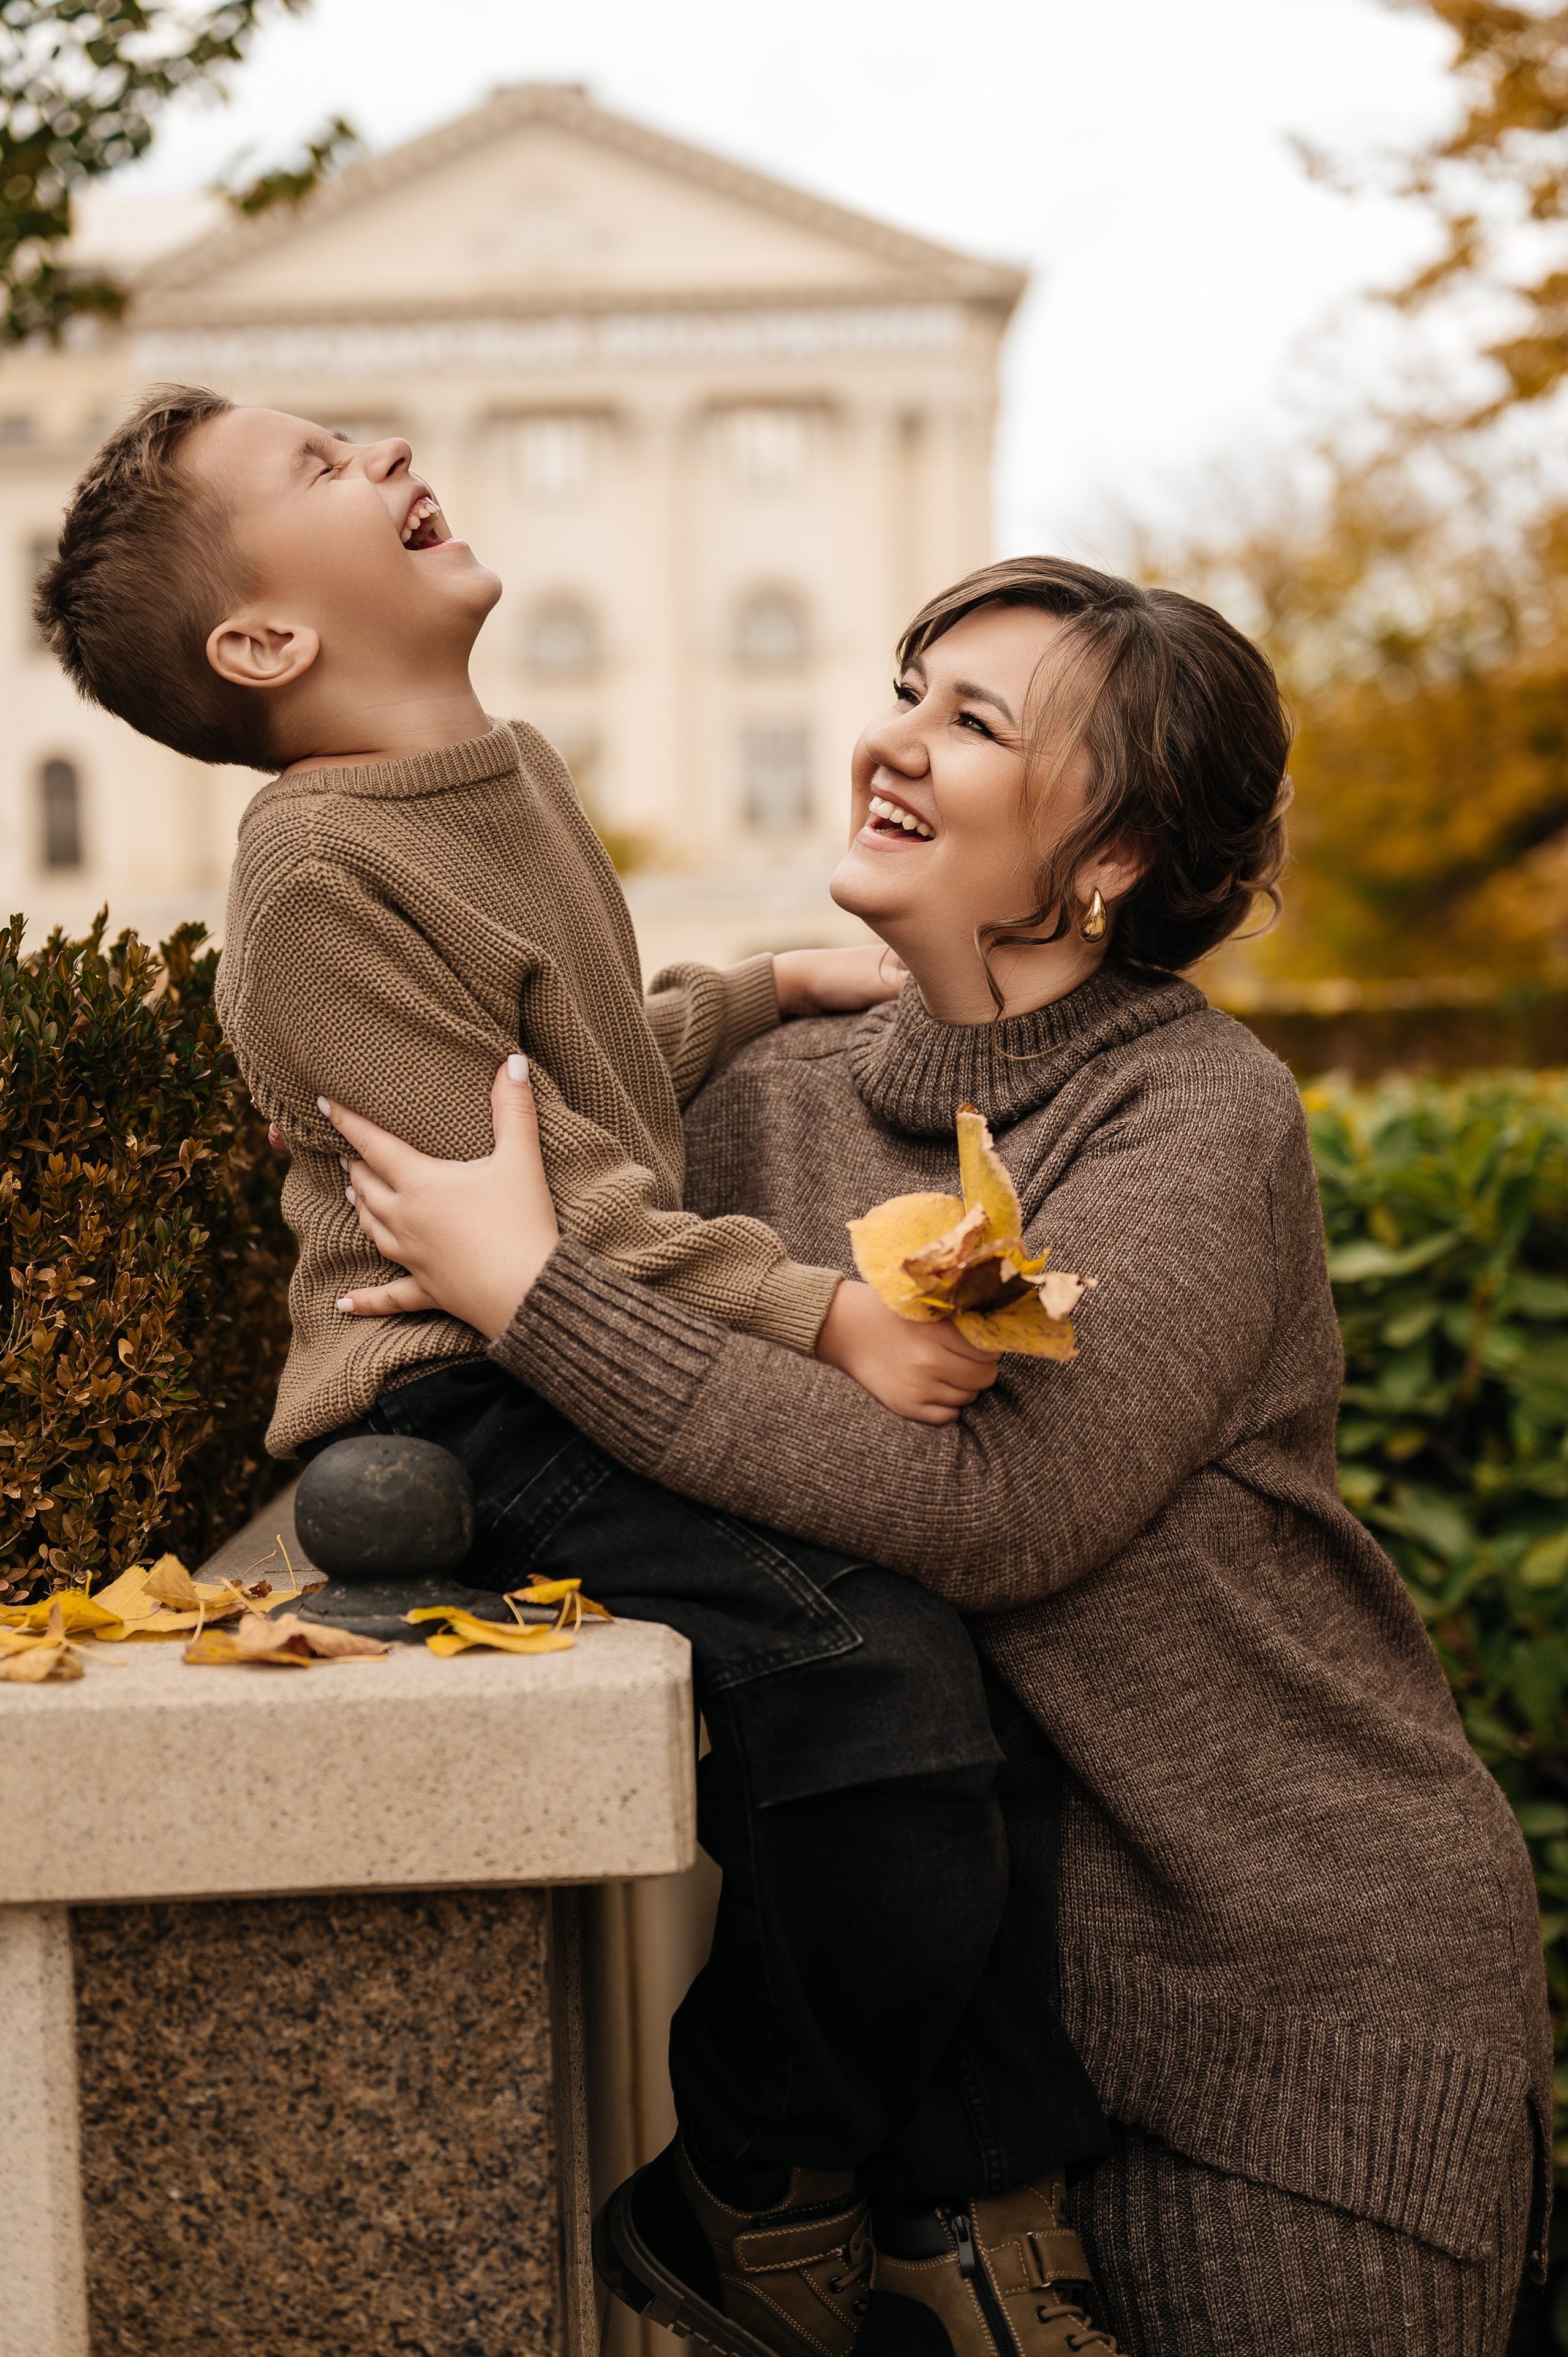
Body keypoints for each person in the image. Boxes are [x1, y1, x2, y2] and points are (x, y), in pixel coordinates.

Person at [325, 558, 1551, 2357]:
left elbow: (1003, 1506)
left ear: (1113, 853)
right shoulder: (765, 1089)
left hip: (1286, 2005)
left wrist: (533, 1294)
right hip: (964, 2052)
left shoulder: (1196, 1116)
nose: (891, 743)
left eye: (970, 722)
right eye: (911, 689)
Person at [36, 405, 1129, 2357]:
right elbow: (526, 1209)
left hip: (574, 1338)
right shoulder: (310, 878)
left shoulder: (500, 775)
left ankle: (978, 2210)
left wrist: (752, 995)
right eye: (314, 463)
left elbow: (571, 1063)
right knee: (862, 1684)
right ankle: (752, 2187)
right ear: (267, 643)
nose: (378, 446)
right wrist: (827, 1318)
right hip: (471, 1392)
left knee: (946, 1677)